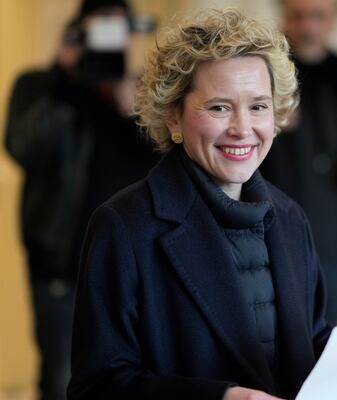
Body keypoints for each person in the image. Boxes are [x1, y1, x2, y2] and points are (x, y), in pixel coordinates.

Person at [67, 8, 337, 400]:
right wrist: (224, 398)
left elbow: (306, 350)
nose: (243, 128)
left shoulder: (291, 219)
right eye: (219, 107)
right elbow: (96, 386)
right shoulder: (125, 227)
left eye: (258, 106)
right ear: (174, 118)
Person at [4, 1, 158, 399]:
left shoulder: (145, 90)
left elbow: (175, 163)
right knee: (61, 378)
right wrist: (63, 78)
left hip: (136, 264)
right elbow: (23, 147)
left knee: (137, 376)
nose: (110, 38)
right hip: (61, 262)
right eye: (101, 28)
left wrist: (138, 112)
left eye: (118, 29)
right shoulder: (41, 85)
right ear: (79, 32)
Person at [260, 0, 337, 324]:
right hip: (272, 233)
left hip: (330, 238)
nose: (308, 26)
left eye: (318, 16)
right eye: (299, 16)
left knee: (326, 339)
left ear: (334, 22)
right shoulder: (263, 76)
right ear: (284, 19)